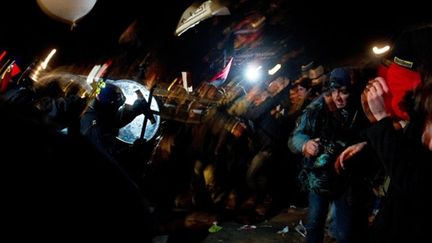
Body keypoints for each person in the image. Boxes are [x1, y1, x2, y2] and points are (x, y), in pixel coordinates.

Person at [361, 26, 432, 243]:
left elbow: (416, 185)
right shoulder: (419, 118)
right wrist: (371, 140)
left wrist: (382, 120)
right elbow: (405, 154)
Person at [288, 67, 368, 243]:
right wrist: (305, 144)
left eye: (343, 92)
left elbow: (371, 135)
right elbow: (295, 138)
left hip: (346, 178)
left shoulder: (361, 107)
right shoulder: (316, 108)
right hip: (319, 178)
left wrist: (362, 145)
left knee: (344, 233)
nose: (338, 97)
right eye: (333, 91)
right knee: (315, 224)